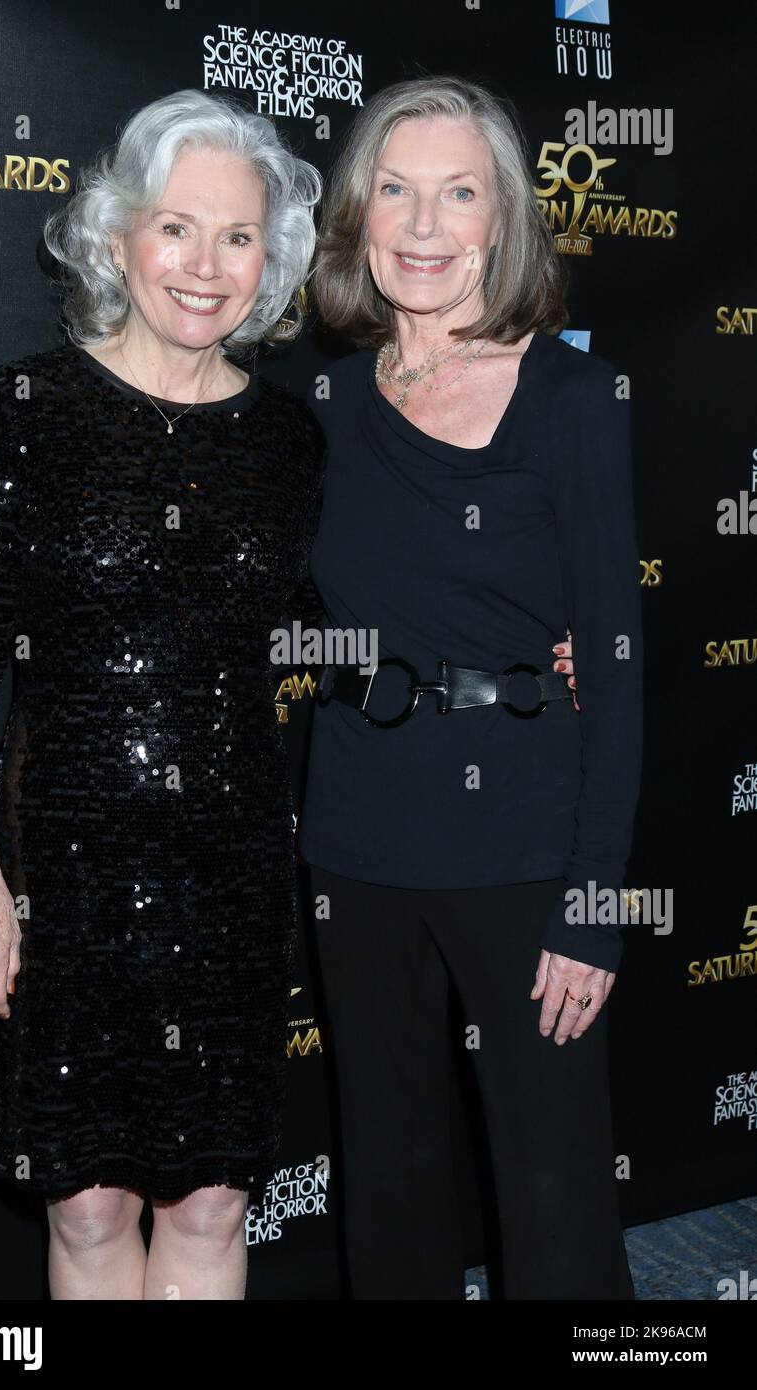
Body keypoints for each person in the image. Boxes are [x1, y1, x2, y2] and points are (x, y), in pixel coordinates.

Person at [0, 89, 324, 1301]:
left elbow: (364, 616)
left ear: (273, 260)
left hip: (232, 878)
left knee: (208, 1207)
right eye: (176, 229)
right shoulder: (32, 408)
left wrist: (527, 651)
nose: (205, 266)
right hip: (66, 884)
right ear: (118, 237)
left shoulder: (290, 442)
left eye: (238, 237)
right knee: (87, 1214)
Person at [298, 75, 643, 1299]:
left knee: (551, 1199)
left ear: (501, 221)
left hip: (524, 844)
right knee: (388, 1181)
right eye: (396, 189)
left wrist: (594, 901)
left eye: (459, 193)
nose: (425, 224)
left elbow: (612, 660)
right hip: (355, 837)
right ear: (357, 214)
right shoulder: (325, 407)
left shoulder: (571, 400)